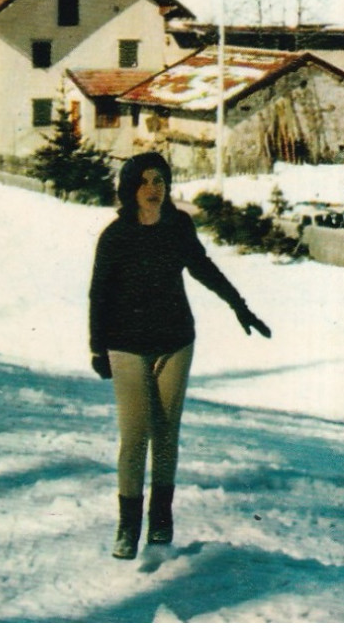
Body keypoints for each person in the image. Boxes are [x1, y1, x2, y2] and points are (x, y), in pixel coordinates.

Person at [88, 152, 272, 559]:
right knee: (135, 435)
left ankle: (160, 517)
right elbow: (98, 293)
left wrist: (238, 304)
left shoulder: (178, 227)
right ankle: (127, 525)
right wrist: (96, 346)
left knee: (166, 431)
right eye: (146, 181)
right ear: (131, 188)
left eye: (161, 180)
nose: (154, 189)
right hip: (126, 342)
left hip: (175, 339)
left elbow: (203, 267)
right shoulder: (115, 236)